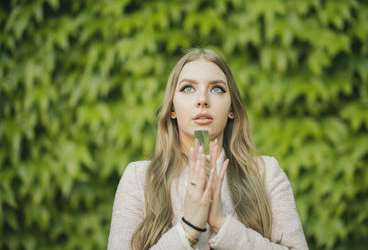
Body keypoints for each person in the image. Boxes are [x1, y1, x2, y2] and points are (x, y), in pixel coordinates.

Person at [107, 48, 308, 250]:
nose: (202, 99)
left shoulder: (265, 173)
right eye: (188, 88)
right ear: (172, 109)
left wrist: (224, 226)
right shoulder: (139, 178)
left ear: (232, 109)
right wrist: (187, 229)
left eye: (217, 89)